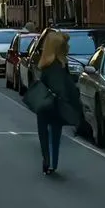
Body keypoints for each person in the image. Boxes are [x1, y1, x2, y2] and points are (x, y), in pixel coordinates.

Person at [34, 30, 82, 175]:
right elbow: (65, 87)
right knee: (55, 134)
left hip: (44, 104)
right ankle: (51, 162)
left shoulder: (46, 65)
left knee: (44, 133)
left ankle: (47, 161)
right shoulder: (60, 65)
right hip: (56, 104)